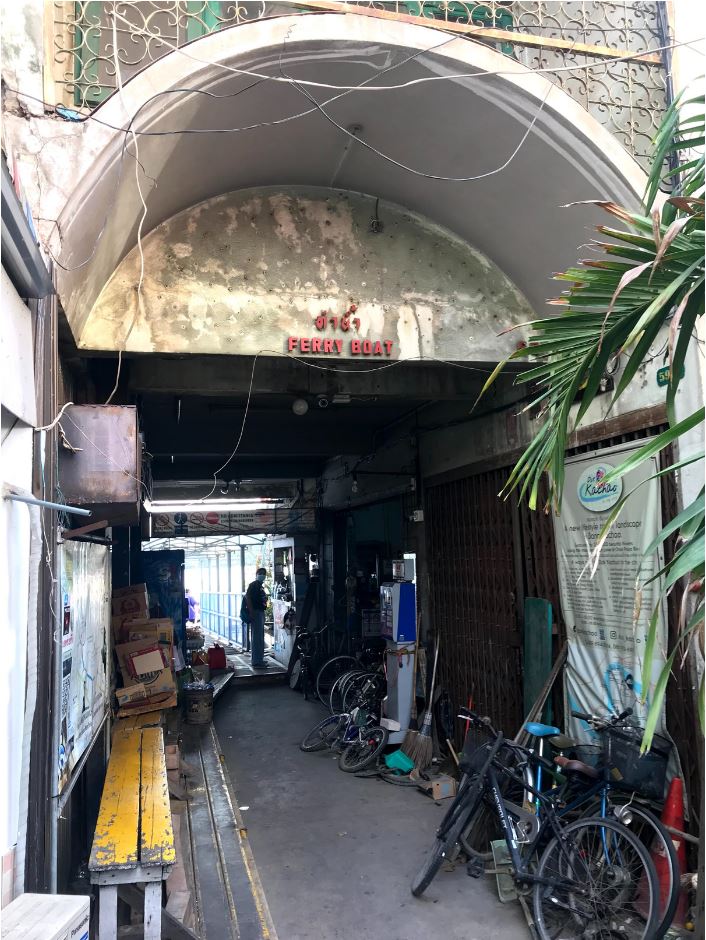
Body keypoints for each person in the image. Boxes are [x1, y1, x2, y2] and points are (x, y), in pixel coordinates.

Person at [245, 568, 268, 669]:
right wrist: (251, 612)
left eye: (264, 574)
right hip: (256, 612)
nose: (262, 575)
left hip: (260, 612)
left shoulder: (259, 585)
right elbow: (248, 598)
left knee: (259, 636)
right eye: (260, 573)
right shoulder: (254, 585)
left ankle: (259, 659)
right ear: (256, 574)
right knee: (257, 637)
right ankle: (257, 661)